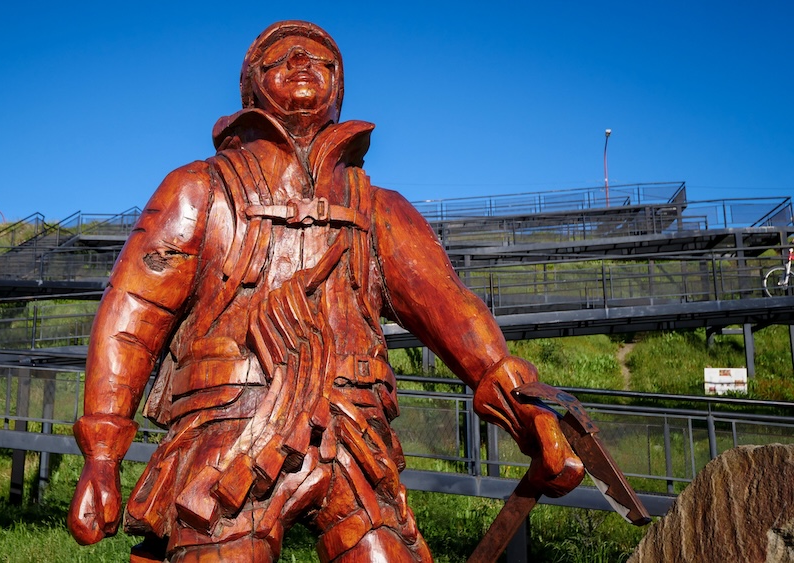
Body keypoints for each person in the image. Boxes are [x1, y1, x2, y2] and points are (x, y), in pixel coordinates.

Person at [67, 20, 584, 563]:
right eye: (283, 57)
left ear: (338, 87)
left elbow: (451, 309)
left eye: (321, 60)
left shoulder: (379, 208)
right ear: (252, 83)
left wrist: (522, 401)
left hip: (355, 439)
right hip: (225, 440)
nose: (303, 62)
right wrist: (102, 454)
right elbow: (132, 315)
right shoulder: (198, 189)